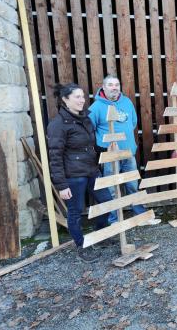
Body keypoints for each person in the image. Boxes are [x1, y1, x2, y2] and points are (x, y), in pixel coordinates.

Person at [47, 83, 112, 263]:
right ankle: (81, 245)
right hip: (73, 176)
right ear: (65, 100)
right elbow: (55, 156)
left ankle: (100, 234)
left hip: (91, 169)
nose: (82, 100)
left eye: (83, 96)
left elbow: (87, 146)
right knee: (75, 212)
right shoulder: (58, 124)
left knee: (107, 202)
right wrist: (61, 185)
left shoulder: (85, 118)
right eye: (77, 97)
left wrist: (104, 148)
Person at [88, 75, 160, 226]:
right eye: (110, 85)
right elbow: (89, 130)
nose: (114, 87)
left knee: (133, 185)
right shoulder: (96, 107)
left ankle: (141, 217)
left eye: (116, 84)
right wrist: (102, 147)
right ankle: (115, 221)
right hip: (109, 156)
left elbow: (133, 122)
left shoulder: (126, 102)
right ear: (104, 87)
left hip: (128, 153)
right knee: (112, 189)